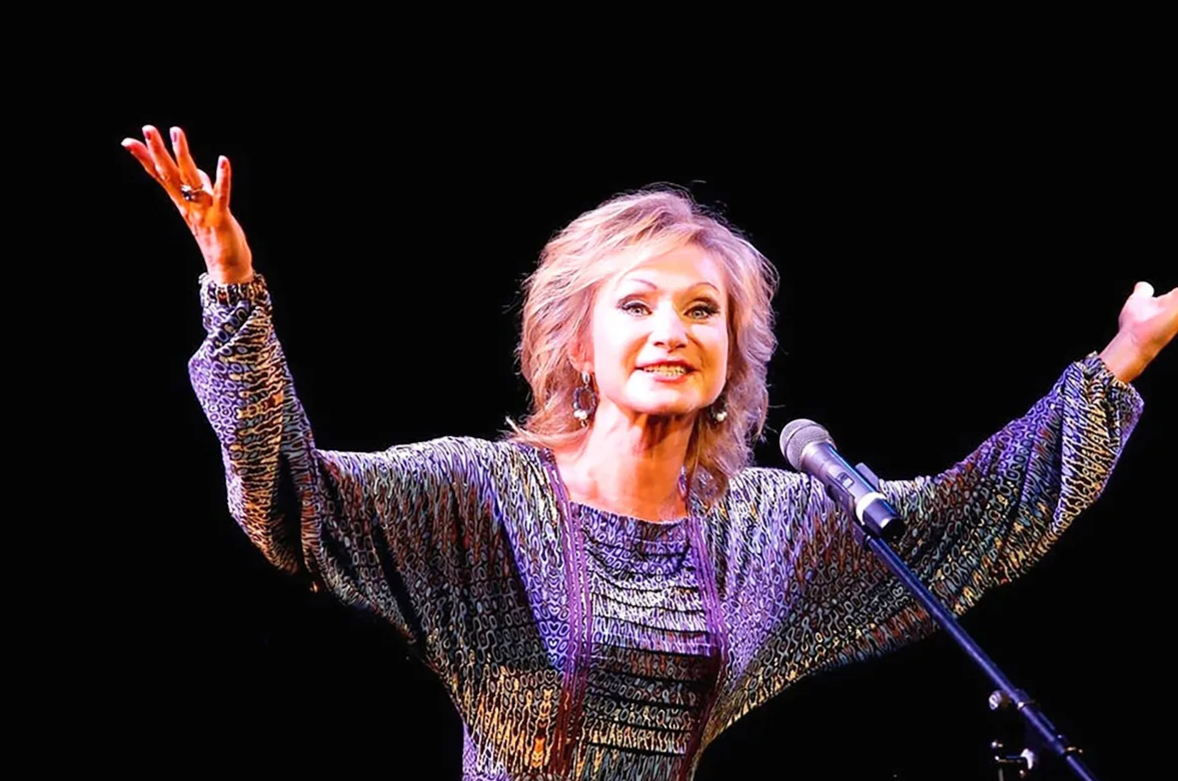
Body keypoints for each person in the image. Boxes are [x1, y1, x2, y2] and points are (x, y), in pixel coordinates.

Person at [124, 124, 1175, 781]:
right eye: (636, 305)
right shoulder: (478, 496)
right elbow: (288, 498)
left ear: (732, 352)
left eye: (701, 310)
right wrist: (233, 291)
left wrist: (1124, 354)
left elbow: (969, 519)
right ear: (578, 343)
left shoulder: (769, 523)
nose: (671, 330)